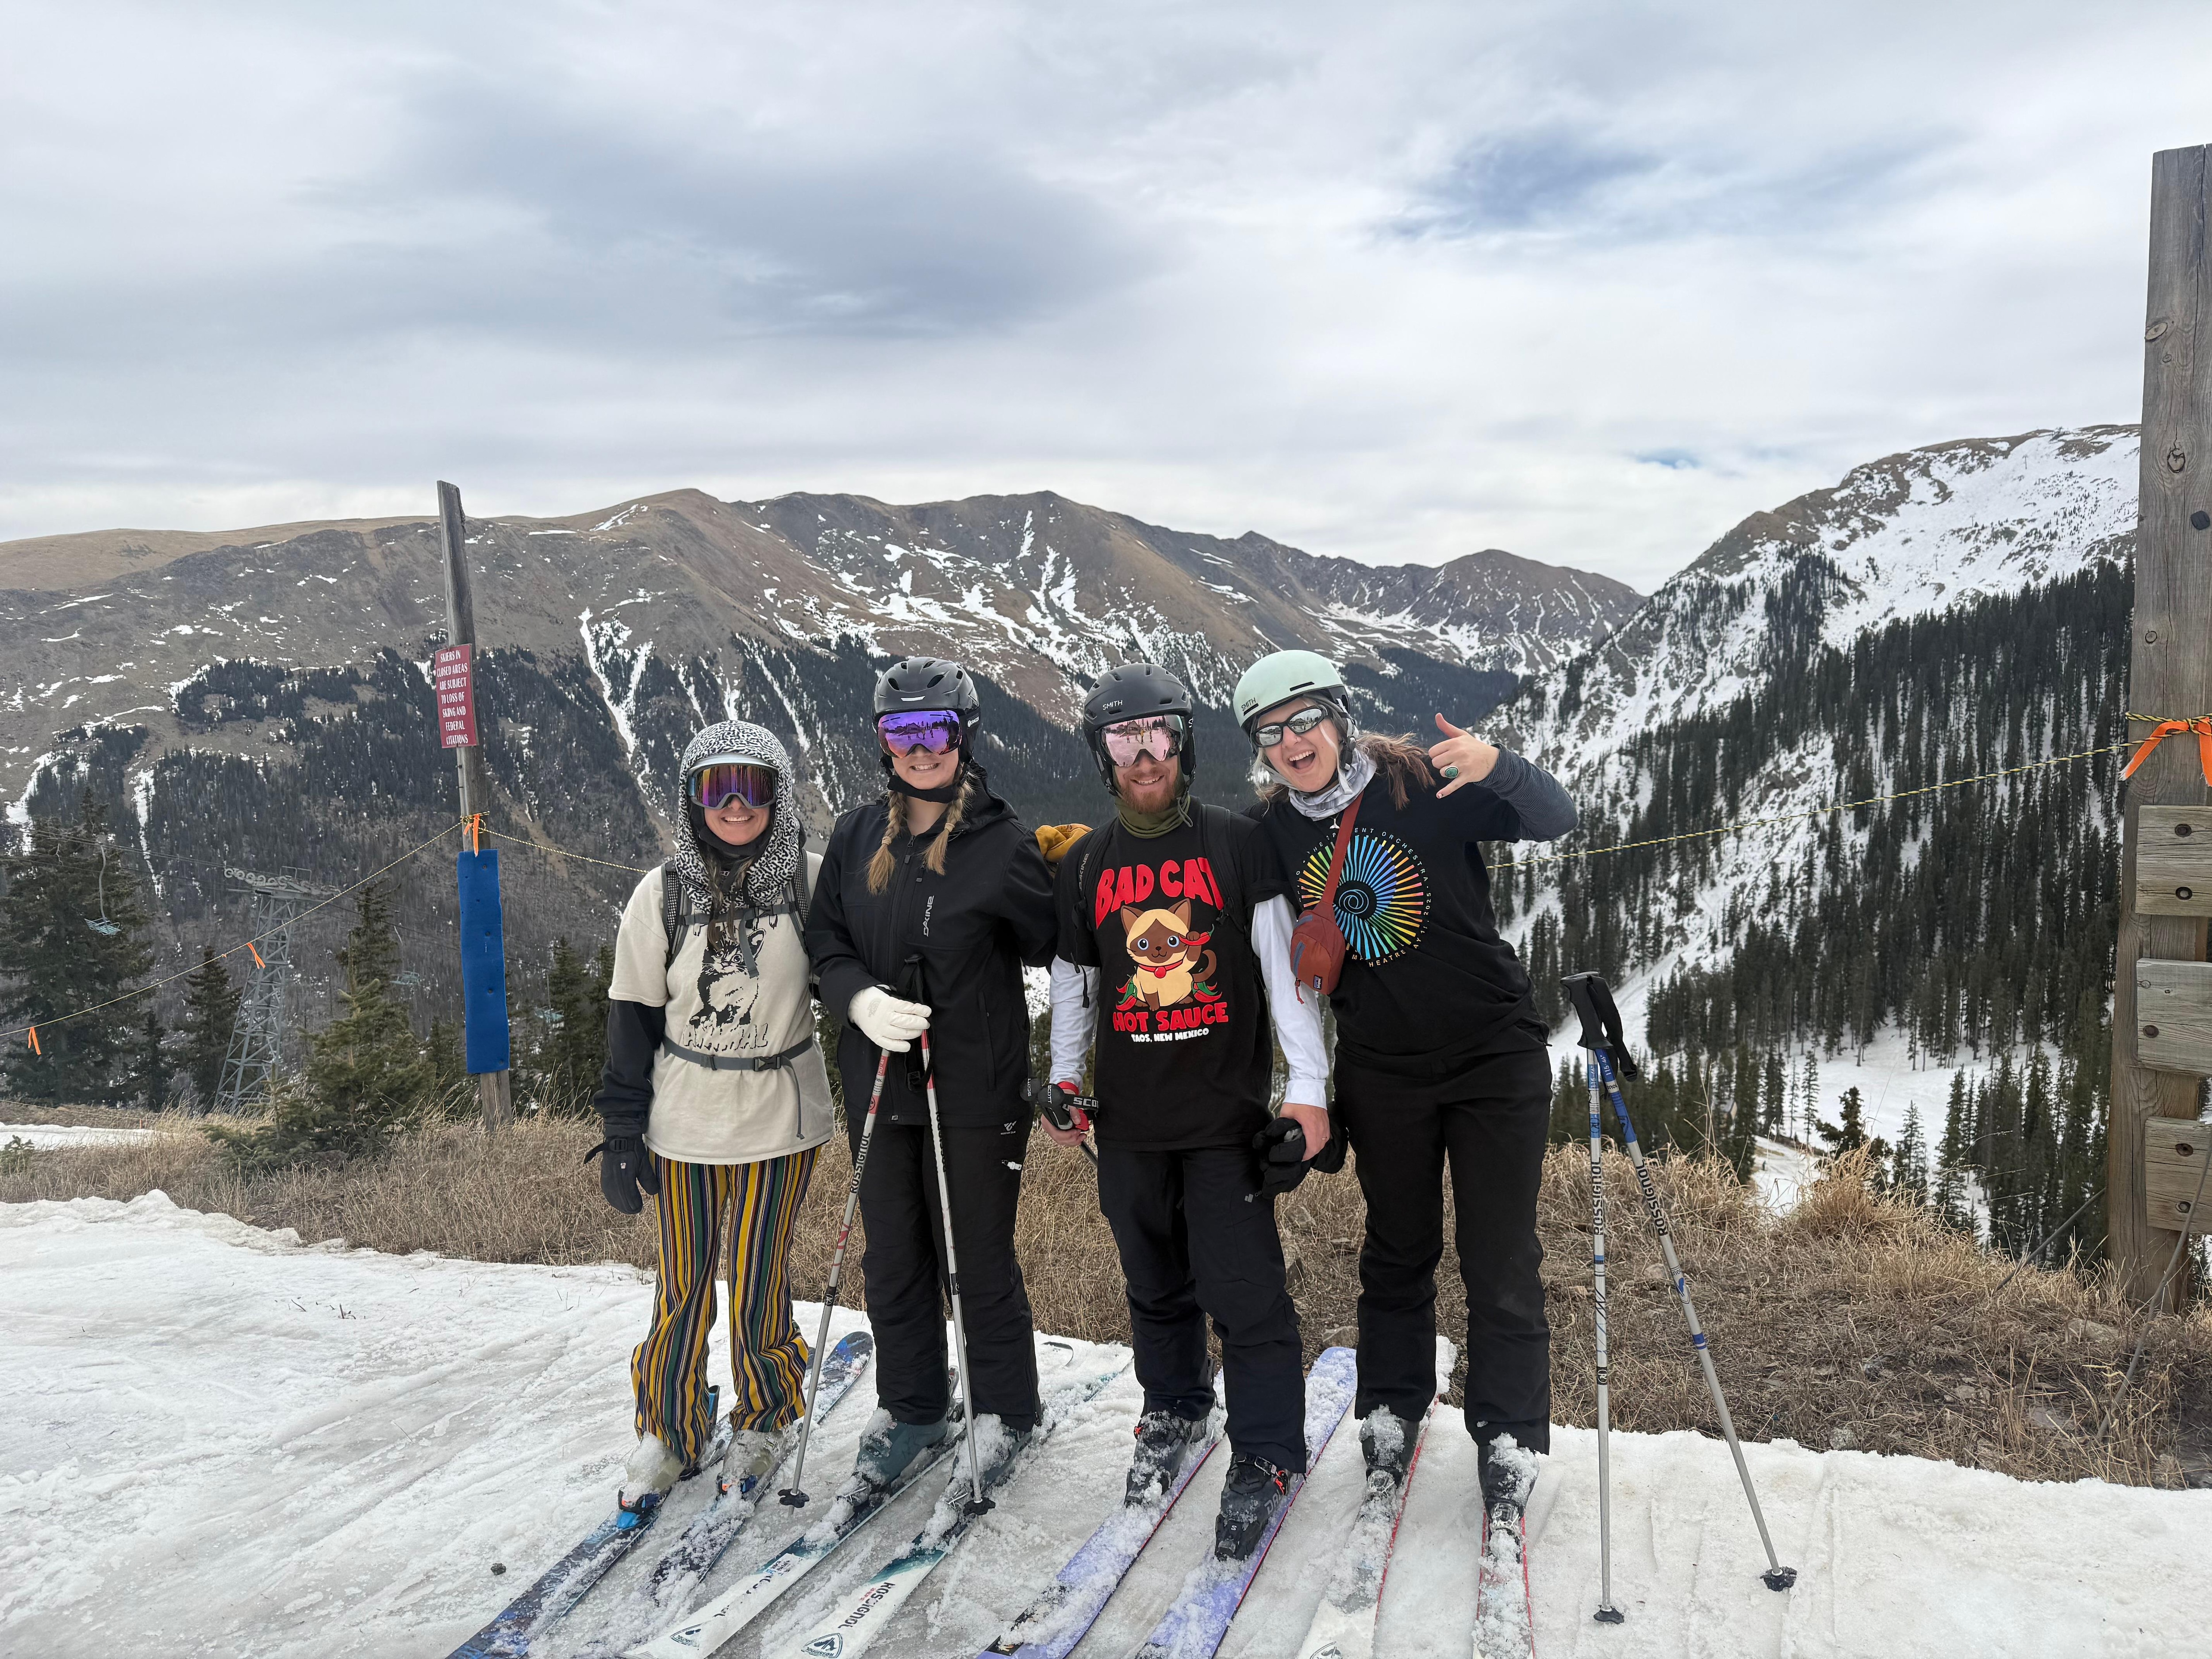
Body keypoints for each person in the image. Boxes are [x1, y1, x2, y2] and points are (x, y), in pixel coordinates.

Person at [1232, 649, 1577, 1537]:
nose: (1293, 741)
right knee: (1396, 1250)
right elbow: (1286, 978)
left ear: (1339, 716)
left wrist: (1502, 766)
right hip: (1381, 1069)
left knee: (1500, 1256)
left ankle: (1510, 1435)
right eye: (1271, 732)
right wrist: (1305, 1087)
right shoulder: (1272, 833)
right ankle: (1390, 1410)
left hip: (1493, 1055)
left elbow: (1555, 818)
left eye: (1305, 719)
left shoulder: (1419, 785)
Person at [1037, 662, 1332, 1560]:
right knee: (1153, 1286)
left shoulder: (1237, 845)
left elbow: (1286, 978)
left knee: (1244, 1294)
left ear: (1185, 744)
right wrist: (1061, 1080)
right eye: (1123, 743)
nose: (1143, 756)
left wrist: (1308, 1090)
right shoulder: (1085, 862)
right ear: (1102, 756)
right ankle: (1173, 1406)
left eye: (1158, 736)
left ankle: (1269, 1452)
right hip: (1129, 1122)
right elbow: (1074, 984)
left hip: (1221, 1119)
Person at [804, 655, 1058, 1498]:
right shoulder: (853, 836)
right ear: (883, 742)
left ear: (963, 735)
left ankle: (1005, 1409)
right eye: (901, 732)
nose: (919, 749)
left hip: (974, 1088)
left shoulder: (1002, 842)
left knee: (977, 1256)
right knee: (894, 1257)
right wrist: (860, 1000)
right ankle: (914, 1406)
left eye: (935, 730)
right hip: (877, 1077)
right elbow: (825, 947)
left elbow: (1056, 946)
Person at [588, 719, 835, 1515]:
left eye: (755, 786)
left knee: (761, 1273)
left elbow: (852, 973)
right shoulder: (661, 894)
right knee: (683, 1280)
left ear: (778, 797)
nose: (736, 805)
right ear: (693, 800)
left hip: (782, 1115)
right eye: (717, 787)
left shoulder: (808, 881)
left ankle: (765, 1415)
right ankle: (672, 1425)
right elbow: (631, 1019)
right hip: (685, 1118)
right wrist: (623, 1133)